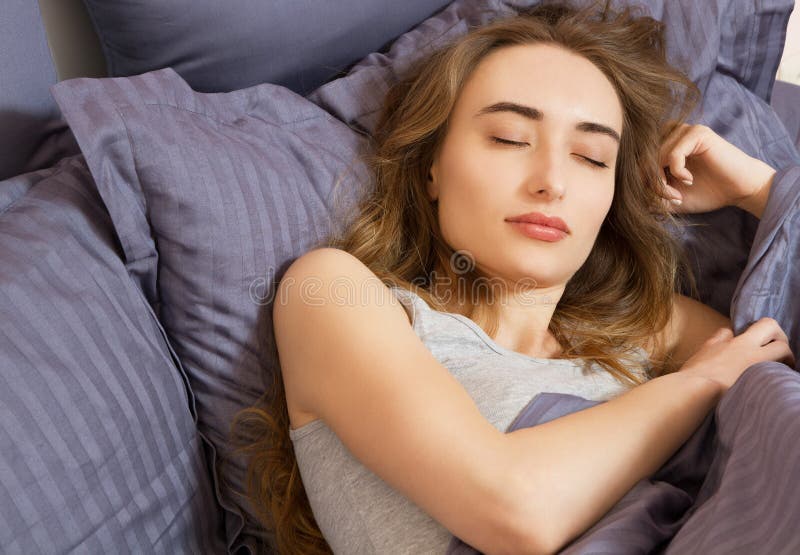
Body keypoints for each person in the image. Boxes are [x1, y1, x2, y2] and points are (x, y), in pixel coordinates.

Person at [232, 2, 796, 554]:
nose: (552, 182)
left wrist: (762, 192)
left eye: (593, 158)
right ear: (432, 165)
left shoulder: (653, 332)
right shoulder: (336, 296)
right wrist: (699, 384)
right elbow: (515, 512)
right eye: (509, 139)